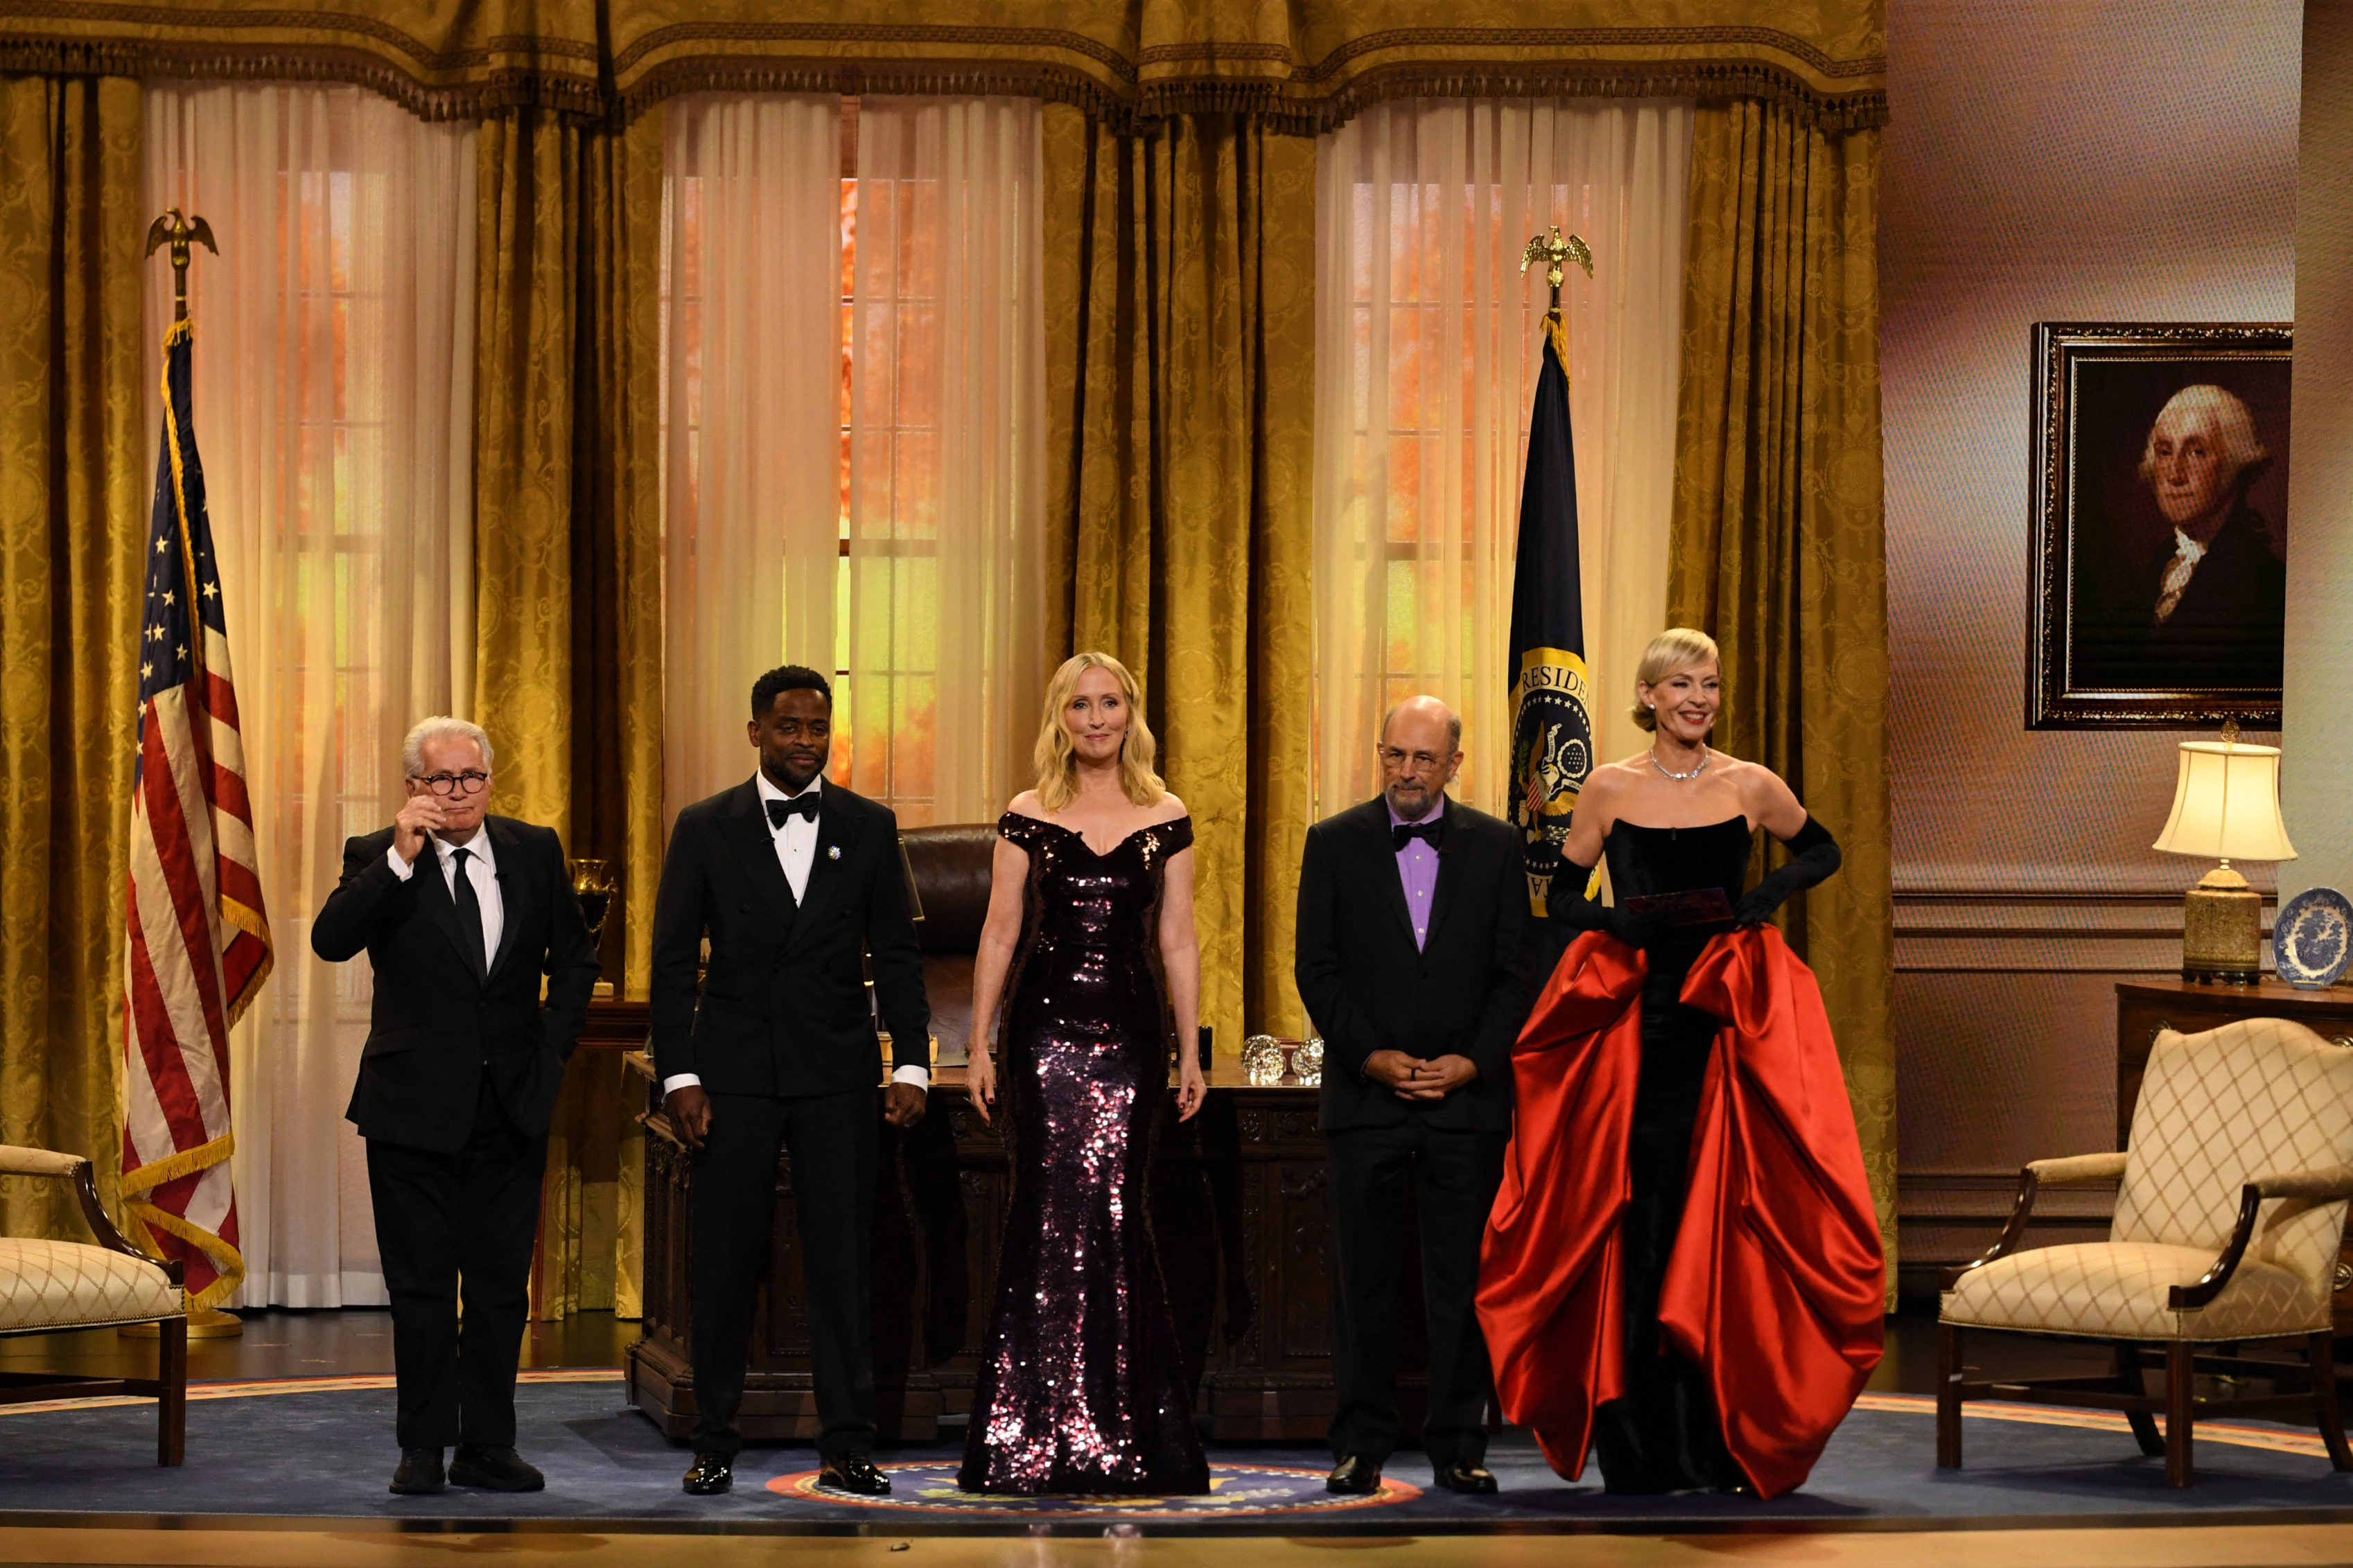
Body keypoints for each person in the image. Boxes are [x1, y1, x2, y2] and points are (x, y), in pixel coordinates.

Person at [1483, 626, 1878, 1496]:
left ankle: (1720, 1440)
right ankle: (1641, 1444)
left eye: (1708, 683)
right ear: (1649, 695)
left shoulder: (1748, 782)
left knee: (1728, 1216)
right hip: (1643, 1028)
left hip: (1727, 1024)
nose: (1697, 698)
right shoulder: (1608, 786)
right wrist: (1612, 923)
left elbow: (1823, 847)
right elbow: (1556, 893)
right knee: (1649, 1220)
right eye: (1680, 685)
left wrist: (1763, 898)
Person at [649, 664, 930, 1497]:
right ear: (755, 733)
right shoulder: (704, 827)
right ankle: (714, 1442)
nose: (805, 741)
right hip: (730, 1077)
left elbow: (901, 957)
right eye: (788, 727)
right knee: (724, 1264)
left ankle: (848, 1444)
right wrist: (680, 1077)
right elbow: (670, 966)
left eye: (817, 727)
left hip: (836, 1075)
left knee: (843, 1264)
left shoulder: (870, 827)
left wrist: (909, 1060)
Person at [311, 716, 600, 1497]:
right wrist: (400, 860)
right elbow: (331, 941)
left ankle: (488, 1442)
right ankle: (423, 1446)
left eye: (471, 777)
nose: (458, 793)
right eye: (440, 780)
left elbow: (574, 963)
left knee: (504, 1286)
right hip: (411, 1107)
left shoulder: (533, 849)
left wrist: (549, 1057)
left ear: (488, 779)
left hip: (511, 1103)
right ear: (413, 788)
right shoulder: (377, 856)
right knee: (424, 1287)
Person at [957, 651, 1210, 1495]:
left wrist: (1189, 1050)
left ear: (1129, 713)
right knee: (1046, 1214)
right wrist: (980, 1044)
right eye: (1079, 706)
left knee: (1112, 1211)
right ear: (1058, 719)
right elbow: (998, 933)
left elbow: (1176, 938)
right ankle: (1026, 1435)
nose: (1095, 719)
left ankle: (1120, 1430)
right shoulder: (1027, 813)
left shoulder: (1165, 811)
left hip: (1131, 1040)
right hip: (1045, 1035)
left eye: (1109, 704)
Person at [1292, 695, 1534, 1498]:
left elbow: (1513, 975)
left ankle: (1458, 1445)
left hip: (1464, 1105)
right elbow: (1315, 969)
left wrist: (1471, 1061)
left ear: (1453, 765)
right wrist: (1370, 1057)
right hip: (1365, 1102)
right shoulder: (1331, 843)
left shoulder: (1498, 847)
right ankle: (1359, 1445)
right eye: (1394, 754)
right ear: (1379, 752)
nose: (1405, 771)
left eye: (1422, 759)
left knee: (1459, 1285)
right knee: (1362, 1280)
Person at [2077, 382, 2285, 694]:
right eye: (2164, 452)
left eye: (2197, 452)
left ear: (2234, 463)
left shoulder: (2266, 585)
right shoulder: (2160, 564)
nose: (2174, 474)